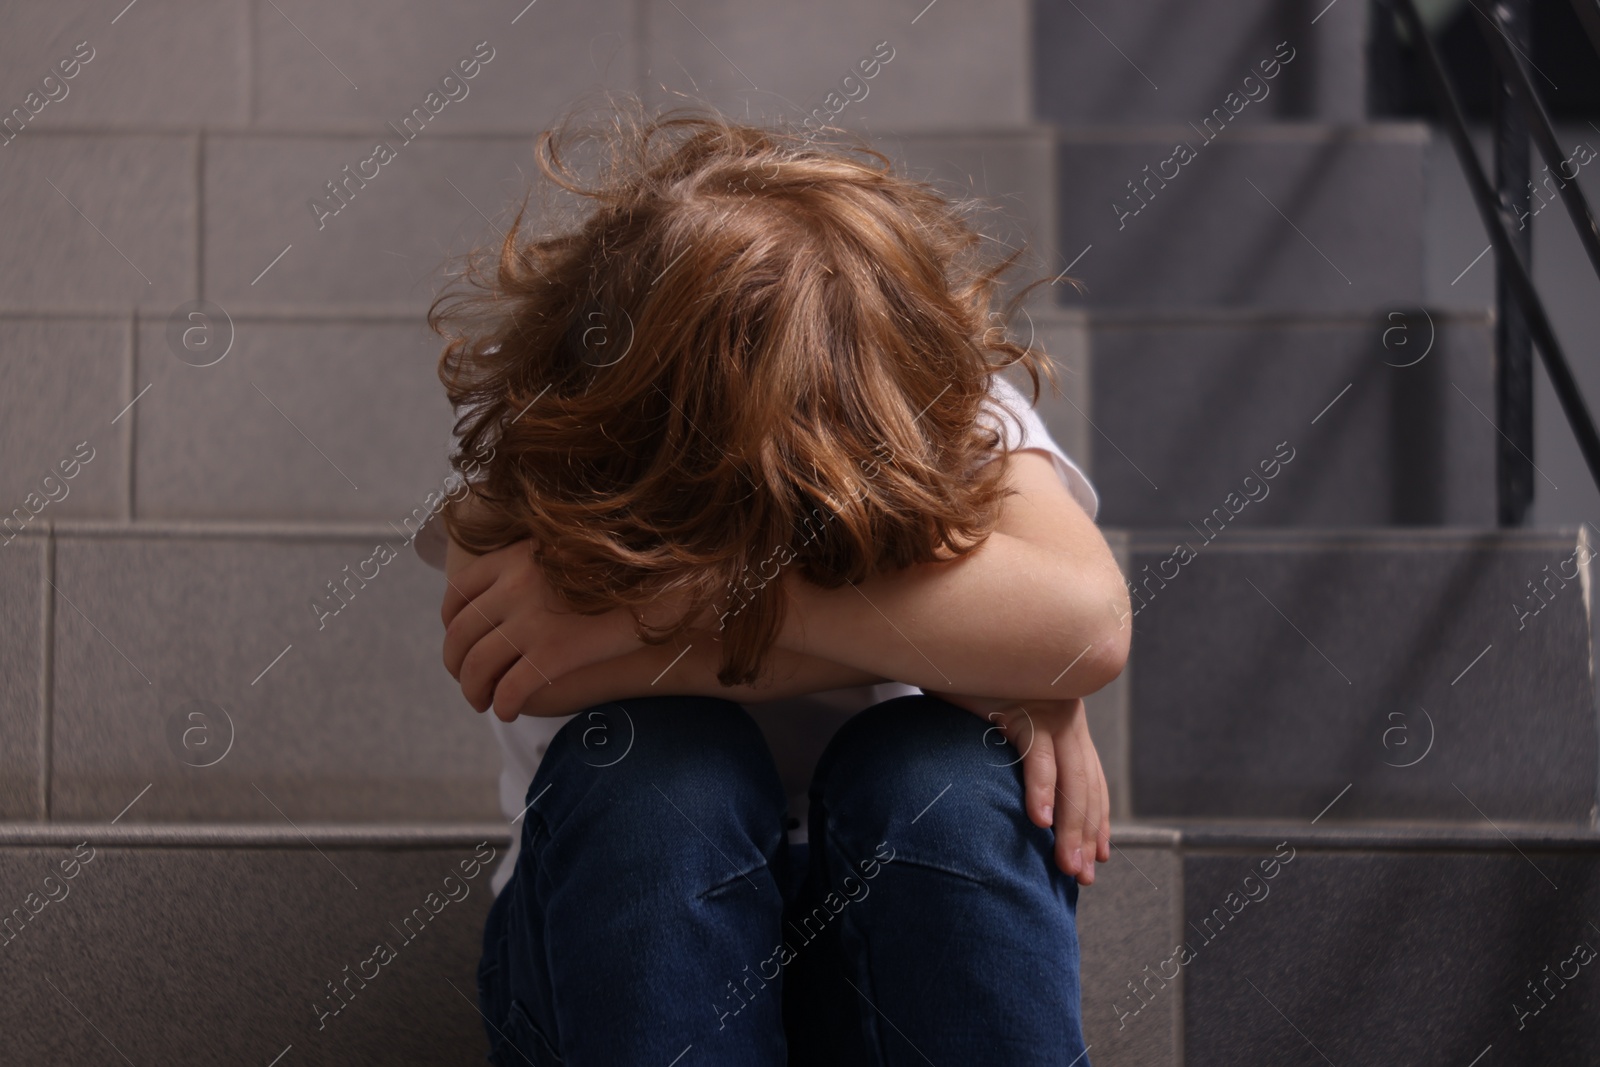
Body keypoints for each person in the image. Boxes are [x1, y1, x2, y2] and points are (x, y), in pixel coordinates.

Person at [413, 97, 1130, 1066]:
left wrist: (677, 599)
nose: (793, 506)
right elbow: (527, 665)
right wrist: (990, 661)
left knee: (936, 771)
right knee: (660, 765)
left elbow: (1086, 624)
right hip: (621, 967)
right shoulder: (554, 435)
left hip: (886, 939)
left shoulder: (949, 401)